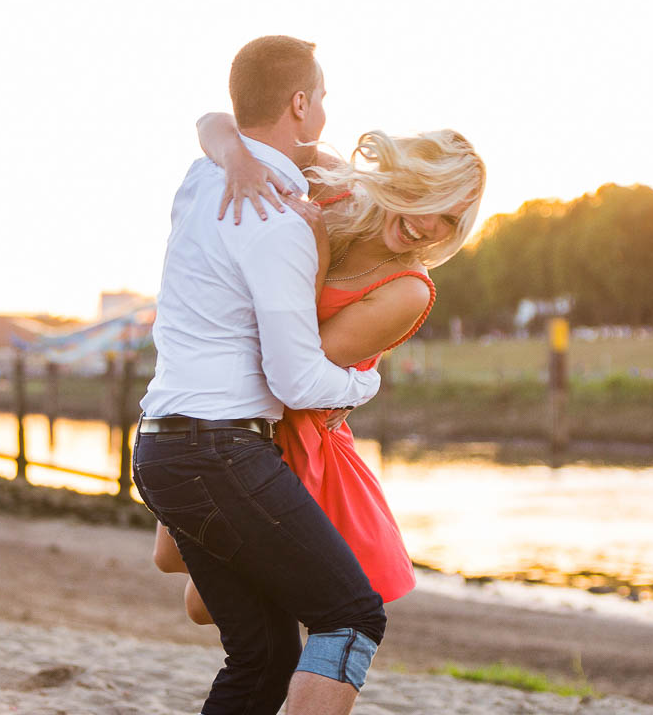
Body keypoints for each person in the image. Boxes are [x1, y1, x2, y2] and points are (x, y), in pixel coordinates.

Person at [126, 36, 390, 715]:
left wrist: (234, 140)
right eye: (324, 99)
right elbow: (298, 376)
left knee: (266, 651)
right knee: (351, 614)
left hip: (162, 448)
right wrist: (366, 385)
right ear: (302, 105)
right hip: (216, 451)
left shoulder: (204, 176)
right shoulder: (273, 218)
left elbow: (218, 126)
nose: (329, 116)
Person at [153, 116, 483, 625]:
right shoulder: (332, 184)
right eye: (422, 196)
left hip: (294, 427)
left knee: (204, 606)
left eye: (447, 218)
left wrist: (317, 251)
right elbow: (219, 122)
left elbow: (301, 365)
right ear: (399, 177)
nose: (426, 222)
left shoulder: (407, 289)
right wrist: (237, 161)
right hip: (234, 398)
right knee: (168, 557)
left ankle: (289, 645)